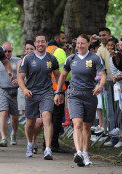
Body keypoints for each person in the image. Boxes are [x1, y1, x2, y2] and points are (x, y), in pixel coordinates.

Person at [54, 34, 106, 167]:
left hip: (90, 94)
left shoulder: (95, 58)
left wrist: (100, 86)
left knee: (86, 127)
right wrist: (59, 92)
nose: (80, 45)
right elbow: (63, 75)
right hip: (74, 95)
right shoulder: (71, 58)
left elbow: (103, 74)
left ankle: (85, 152)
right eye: (78, 43)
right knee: (77, 124)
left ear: (88, 44)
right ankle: (79, 153)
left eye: (83, 43)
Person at [18, 32, 60, 160]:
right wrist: (24, 89)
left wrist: (58, 91)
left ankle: (48, 149)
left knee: (47, 117)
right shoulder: (28, 58)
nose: (40, 44)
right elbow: (20, 76)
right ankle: (30, 144)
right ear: (35, 44)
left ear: (46, 43)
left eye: (43, 41)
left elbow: (58, 75)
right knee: (30, 122)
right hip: (31, 93)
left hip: (47, 92)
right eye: (38, 42)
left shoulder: (51, 58)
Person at [46, 31, 68, 153]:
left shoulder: (45, 50)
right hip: (57, 89)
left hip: (45, 89)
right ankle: (53, 144)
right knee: (57, 118)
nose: (64, 40)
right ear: (56, 38)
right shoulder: (60, 51)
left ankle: (46, 143)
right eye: (62, 38)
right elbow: (66, 72)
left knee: (47, 117)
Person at [0, 42, 20, 147]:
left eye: (9, 51)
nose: (7, 53)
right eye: (4, 51)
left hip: (15, 92)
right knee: (3, 113)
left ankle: (14, 134)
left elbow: (23, 75)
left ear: (12, 50)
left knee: (15, 117)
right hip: (3, 90)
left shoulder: (18, 61)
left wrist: (18, 81)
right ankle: (3, 138)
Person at [17, 40, 35, 126]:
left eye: (31, 49)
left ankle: (32, 137)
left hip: (35, 90)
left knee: (35, 118)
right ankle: (29, 138)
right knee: (28, 116)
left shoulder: (38, 61)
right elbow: (19, 77)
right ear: (25, 50)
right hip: (23, 90)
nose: (29, 51)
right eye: (27, 49)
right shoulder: (20, 62)